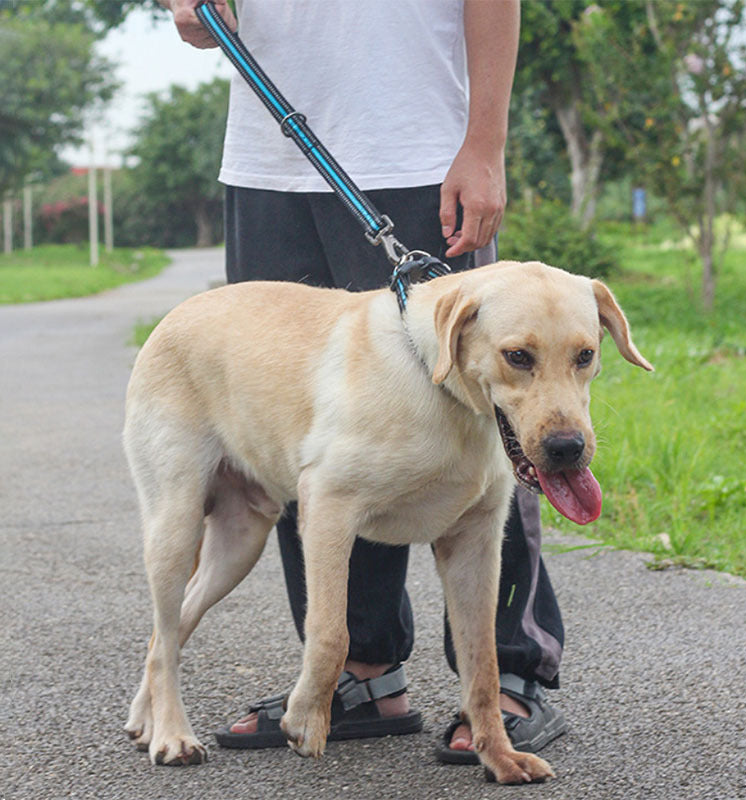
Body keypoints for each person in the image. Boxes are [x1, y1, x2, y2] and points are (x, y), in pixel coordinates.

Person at [164, 0, 567, 762]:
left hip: (417, 152)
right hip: (267, 153)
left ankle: (510, 678)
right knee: (305, 435)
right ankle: (363, 673)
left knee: (483, 421)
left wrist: (484, 143)